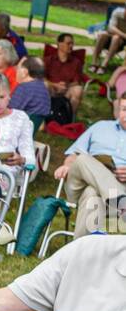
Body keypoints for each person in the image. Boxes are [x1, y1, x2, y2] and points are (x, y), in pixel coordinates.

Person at [53, 94, 126, 237]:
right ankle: (120, 201)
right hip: (79, 185)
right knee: (82, 159)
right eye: (124, 109)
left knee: (92, 193)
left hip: (115, 189)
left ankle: (80, 254)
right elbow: (74, 154)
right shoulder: (100, 127)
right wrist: (67, 165)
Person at [45, 33, 87, 118]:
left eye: (72, 44)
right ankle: (44, 116)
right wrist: (54, 85)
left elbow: (77, 81)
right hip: (51, 89)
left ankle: (69, 118)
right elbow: (40, 77)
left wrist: (65, 86)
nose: (71, 46)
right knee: (44, 85)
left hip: (67, 90)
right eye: (68, 43)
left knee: (78, 90)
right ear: (59, 44)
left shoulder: (76, 62)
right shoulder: (48, 60)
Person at [10, 54, 51, 119]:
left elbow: (9, 112)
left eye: (18, 68)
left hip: (19, 126)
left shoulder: (23, 88)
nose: (16, 70)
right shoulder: (44, 89)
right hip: (34, 126)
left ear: (25, 72)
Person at [91, 5, 126, 72]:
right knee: (102, 35)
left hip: (121, 41)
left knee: (116, 38)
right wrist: (124, 34)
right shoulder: (117, 12)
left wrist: (121, 35)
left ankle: (104, 65)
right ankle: (94, 62)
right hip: (112, 35)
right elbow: (111, 28)